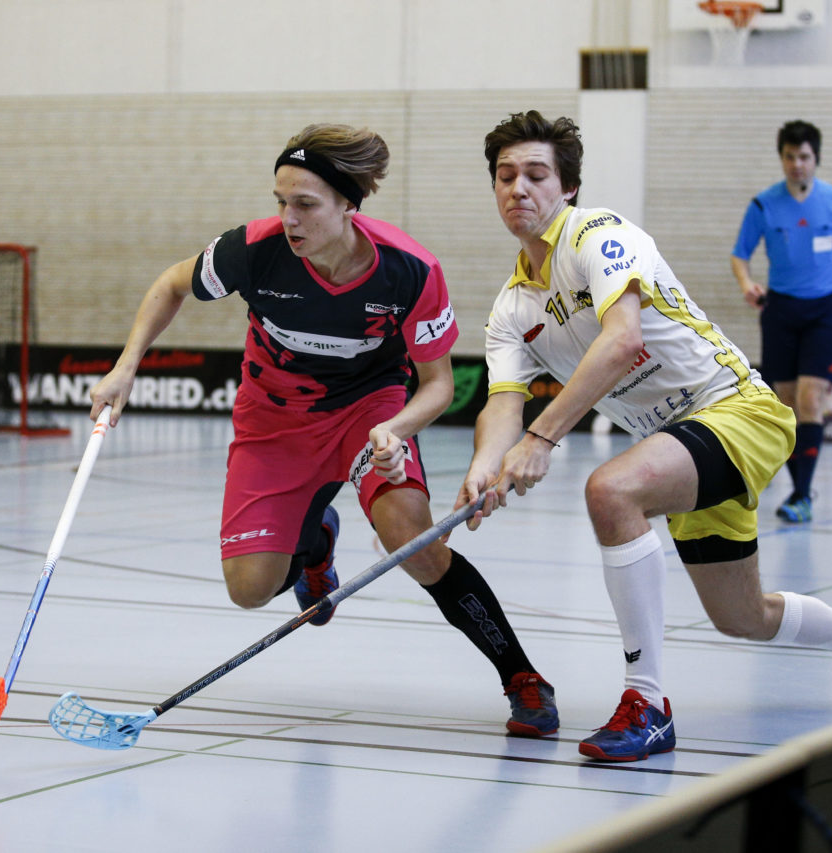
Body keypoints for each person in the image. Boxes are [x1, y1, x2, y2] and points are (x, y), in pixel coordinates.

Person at [458, 110, 832, 763]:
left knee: (612, 490)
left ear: (567, 187)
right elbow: (501, 401)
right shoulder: (511, 307)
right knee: (743, 616)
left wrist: (543, 438)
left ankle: (648, 702)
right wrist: (487, 466)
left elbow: (622, 338)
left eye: (536, 175)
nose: (518, 188)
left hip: (736, 410)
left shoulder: (597, 234)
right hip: (679, 443)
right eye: (505, 175)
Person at [88, 123, 558, 737]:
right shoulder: (253, 249)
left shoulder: (409, 271)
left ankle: (521, 676)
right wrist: (126, 367)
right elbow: (171, 284)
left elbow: (439, 385)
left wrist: (395, 429)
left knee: (411, 539)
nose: (288, 218)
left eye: (305, 204)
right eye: (281, 201)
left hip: (369, 412)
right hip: (272, 420)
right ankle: (316, 543)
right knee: (250, 590)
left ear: (347, 205)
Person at [730, 120, 832, 523]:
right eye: (790, 156)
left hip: (825, 312)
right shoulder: (764, 204)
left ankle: (800, 494)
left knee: (812, 398)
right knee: (789, 405)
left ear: (817, 158)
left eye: (805, 157)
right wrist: (746, 283)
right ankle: (800, 491)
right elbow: (739, 254)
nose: (798, 164)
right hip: (780, 312)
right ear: (782, 159)